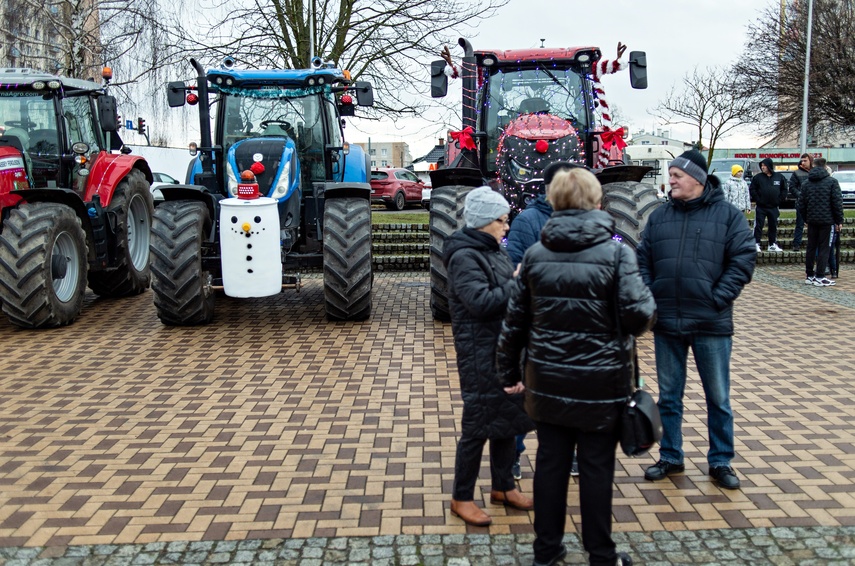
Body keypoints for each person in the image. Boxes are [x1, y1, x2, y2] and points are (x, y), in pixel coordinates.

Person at [497, 168, 656, 566]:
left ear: (554, 202)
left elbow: (513, 323)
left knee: (550, 465)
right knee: (596, 467)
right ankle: (601, 555)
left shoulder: (535, 254)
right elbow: (640, 317)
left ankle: (546, 553)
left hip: (547, 381)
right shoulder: (618, 253)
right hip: (602, 383)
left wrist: (510, 375)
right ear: (596, 201)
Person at [636, 150, 756, 491]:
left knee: (718, 398)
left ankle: (721, 461)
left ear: (698, 180)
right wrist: (650, 295)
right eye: (670, 174)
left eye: (677, 174)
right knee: (669, 397)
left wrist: (717, 299)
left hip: (711, 323)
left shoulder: (729, 217)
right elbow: (643, 259)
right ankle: (671, 456)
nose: (670, 179)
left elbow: (744, 259)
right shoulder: (660, 217)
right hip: (667, 323)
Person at [443, 186, 535, 527]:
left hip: (504, 348)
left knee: (507, 421)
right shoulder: (465, 256)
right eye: (501, 220)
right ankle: (461, 497)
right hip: (480, 352)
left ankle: (503, 487)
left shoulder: (492, 249)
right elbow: (479, 302)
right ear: (483, 222)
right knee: (477, 428)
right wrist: (517, 282)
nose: (506, 227)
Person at [505, 162, 578, 481]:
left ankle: (571, 454)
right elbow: (516, 269)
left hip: (574, 324)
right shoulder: (527, 220)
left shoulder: (582, 219)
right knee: (526, 393)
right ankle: (513, 455)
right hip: (537, 323)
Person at [797, 157, 843, 287]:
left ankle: (809, 275)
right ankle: (820, 276)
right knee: (824, 248)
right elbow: (837, 203)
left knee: (811, 247)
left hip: (812, 220)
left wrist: (806, 218)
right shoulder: (832, 182)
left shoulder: (806, 183)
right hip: (827, 221)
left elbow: (801, 204)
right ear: (825, 166)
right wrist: (839, 220)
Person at [749, 157, 788, 253]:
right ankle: (756, 243)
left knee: (773, 225)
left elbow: (784, 189)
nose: (763, 167)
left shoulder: (779, 177)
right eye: (761, 166)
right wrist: (758, 199)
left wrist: (779, 200)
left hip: (774, 207)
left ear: (769, 166)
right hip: (761, 207)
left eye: (764, 166)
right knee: (758, 225)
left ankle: (772, 244)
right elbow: (752, 189)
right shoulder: (757, 178)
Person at [788, 153, 813, 251]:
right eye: (802, 160)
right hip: (801, 203)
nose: (803, 162)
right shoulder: (797, 173)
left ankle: (812, 244)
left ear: (810, 160)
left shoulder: (815, 172)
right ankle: (796, 244)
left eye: (805, 160)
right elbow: (792, 187)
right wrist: (800, 195)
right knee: (800, 224)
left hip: (814, 203)